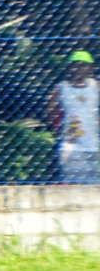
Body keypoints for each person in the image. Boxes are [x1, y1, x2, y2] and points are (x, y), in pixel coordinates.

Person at [46, 50, 98, 185]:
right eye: (76, 65)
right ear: (70, 67)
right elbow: (51, 111)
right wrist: (60, 128)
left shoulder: (95, 86)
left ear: (91, 67)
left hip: (95, 144)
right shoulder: (62, 88)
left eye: (84, 65)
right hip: (70, 145)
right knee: (74, 183)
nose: (80, 68)